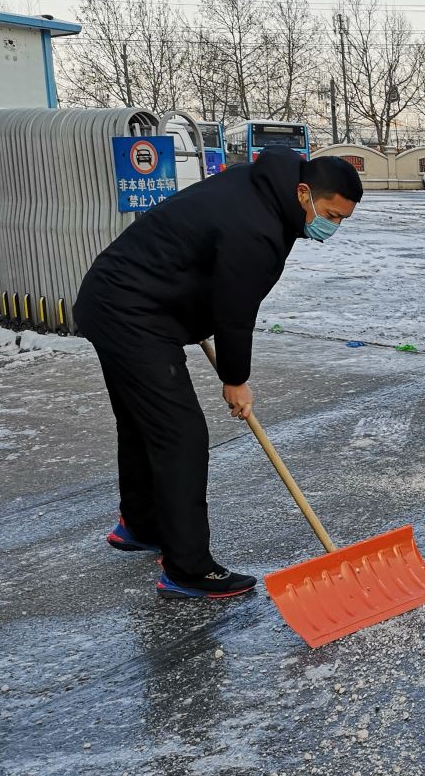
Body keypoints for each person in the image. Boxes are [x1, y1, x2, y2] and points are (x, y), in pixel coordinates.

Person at [75, 148, 363, 600]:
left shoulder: (265, 193)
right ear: (304, 192)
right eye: (330, 214)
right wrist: (235, 378)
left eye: (342, 219)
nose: (333, 226)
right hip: (131, 312)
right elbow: (235, 307)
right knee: (180, 435)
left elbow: (208, 264)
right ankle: (187, 568)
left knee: (142, 422)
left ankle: (141, 525)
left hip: (121, 298)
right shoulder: (256, 225)